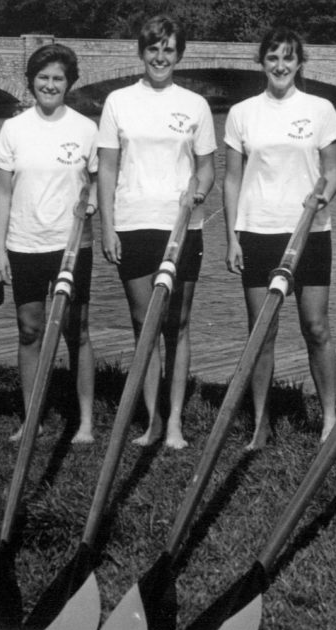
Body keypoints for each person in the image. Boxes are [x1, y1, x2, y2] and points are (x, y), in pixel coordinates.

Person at [97, 15, 216, 449]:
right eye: (153, 49)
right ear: (141, 52)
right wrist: (107, 227)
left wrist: (198, 192)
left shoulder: (196, 105)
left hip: (182, 225)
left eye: (168, 49)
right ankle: (151, 421)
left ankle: (177, 423)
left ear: (179, 54)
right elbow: (106, 169)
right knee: (142, 324)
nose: (160, 57)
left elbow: (207, 170)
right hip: (132, 224)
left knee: (177, 325)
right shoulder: (117, 102)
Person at [223, 27, 336, 448]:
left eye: (288, 58)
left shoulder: (321, 109)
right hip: (258, 232)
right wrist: (233, 237)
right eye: (272, 57)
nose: (280, 65)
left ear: (299, 63)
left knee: (316, 327)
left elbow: (333, 172)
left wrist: (323, 197)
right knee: (262, 332)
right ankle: (260, 423)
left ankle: (330, 418)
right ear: (262, 62)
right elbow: (232, 180)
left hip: (310, 232)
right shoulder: (241, 113)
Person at [0, 43, 99, 444]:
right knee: (29, 330)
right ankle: (32, 417)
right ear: (31, 82)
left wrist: (93, 207)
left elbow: (98, 185)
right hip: (24, 244)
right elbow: (1, 193)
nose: (50, 85)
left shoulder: (86, 129)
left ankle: (85, 421)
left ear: (69, 82)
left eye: (58, 78)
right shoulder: (13, 128)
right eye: (43, 78)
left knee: (78, 331)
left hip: (72, 245)